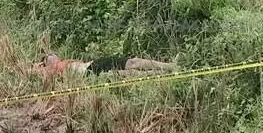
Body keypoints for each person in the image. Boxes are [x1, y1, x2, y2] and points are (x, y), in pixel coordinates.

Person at [38, 54, 176, 77]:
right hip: (88, 74)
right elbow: (30, 70)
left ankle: (171, 66)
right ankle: (161, 74)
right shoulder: (51, 70)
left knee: (133, 62)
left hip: (94, 64)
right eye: (48, 57)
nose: (51, 55)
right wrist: (39, 66)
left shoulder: (66, 61)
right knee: (125, 74)